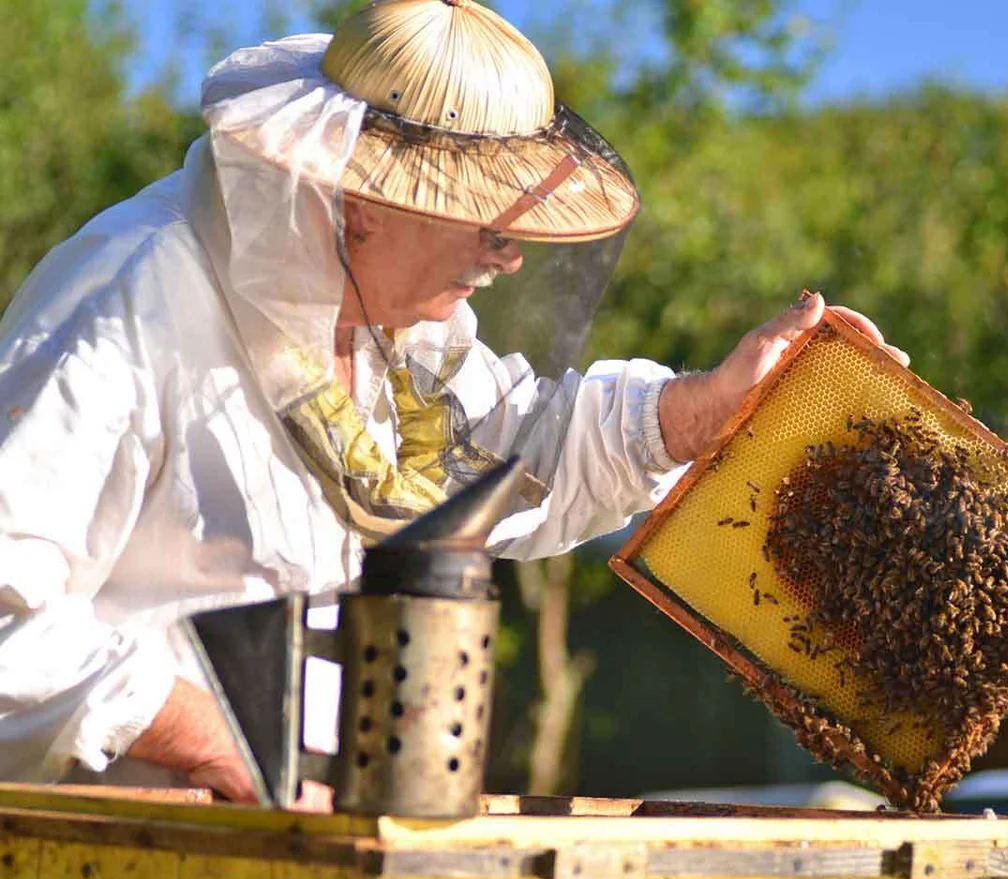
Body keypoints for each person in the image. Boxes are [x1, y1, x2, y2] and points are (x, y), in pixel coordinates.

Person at [0, 0, 907, 804]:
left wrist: (704, 410)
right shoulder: (129, 297)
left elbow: (506, 457)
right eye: (478, 210)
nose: (508, 251)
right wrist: (210, 738)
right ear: (362, 198)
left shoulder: (396, 330)